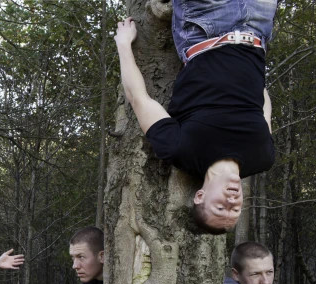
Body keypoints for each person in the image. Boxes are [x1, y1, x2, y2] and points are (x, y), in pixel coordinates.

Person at [114, 1, 276, 234]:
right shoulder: (263, 157)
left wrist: (123, 45)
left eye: (220, 207)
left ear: (200, 196)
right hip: (258, 22)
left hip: (207, 23)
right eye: (235, 211)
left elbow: (139, 98)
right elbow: (264, 103)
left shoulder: (181, 151)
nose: (232, 203)